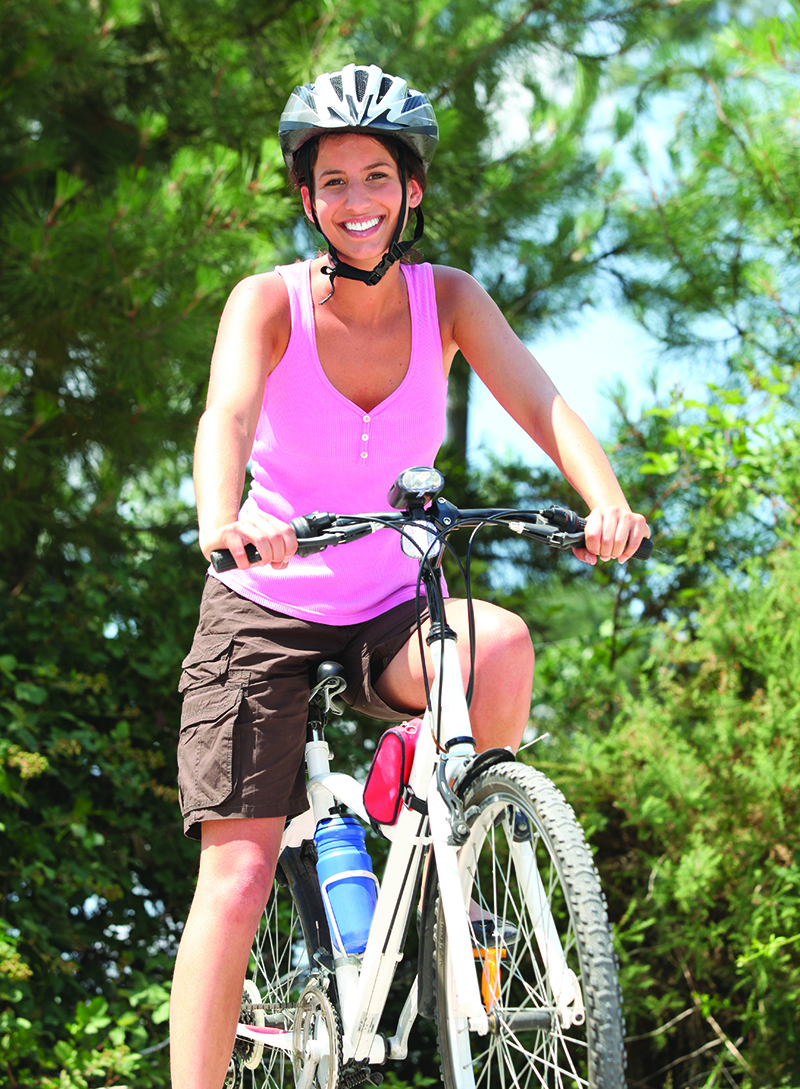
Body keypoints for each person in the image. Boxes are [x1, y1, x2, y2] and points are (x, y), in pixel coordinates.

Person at [169, 63, 649, 1089]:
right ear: (306, 199)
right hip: (265, 605)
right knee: (240, 871)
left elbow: (542, 405)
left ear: (410, 190)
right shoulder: (267, 303)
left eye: (375, 177)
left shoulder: (452, 300)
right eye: (333, 181)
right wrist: (223, 522)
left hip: (392, 602)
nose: (355, 201)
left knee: (504, 640)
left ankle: (464, 851)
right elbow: (228, 417)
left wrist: (602, 500)